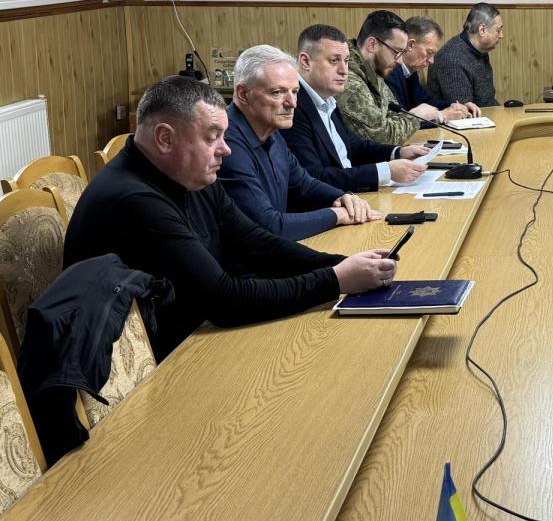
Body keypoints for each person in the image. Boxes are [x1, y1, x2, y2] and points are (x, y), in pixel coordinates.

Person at [63, 76, 395, 359]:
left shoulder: (186, 173)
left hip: (193, 333)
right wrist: (335, 280)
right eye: (212, 137)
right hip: (156, 365)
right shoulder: (134, 200)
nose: (226, 149)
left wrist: (341, 264)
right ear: (165, 138)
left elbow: (255, 242)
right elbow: (224, 300)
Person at [219, 45, 378, 241]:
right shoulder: (226, 144)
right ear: (243, 94)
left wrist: (343, 197)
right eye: (277, 92)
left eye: (294, 92)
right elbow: (269, 226)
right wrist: (338, 215)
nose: (292, 103)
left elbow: (304, 184)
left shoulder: (270, 129)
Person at [283, 23, 430, 193]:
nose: (343, 70)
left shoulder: (327, 97)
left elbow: (352, 146)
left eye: (346, 61)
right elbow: (313, 178)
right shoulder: (292, 107)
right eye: (334, 60)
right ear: (305, 61)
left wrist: (397, 152)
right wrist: (385, 172)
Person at [339, 10, 424, 146]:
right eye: (396, 52)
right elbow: (384, 137)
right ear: (372, 44)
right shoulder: (348, 80)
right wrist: (416, 117)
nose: (400, 61)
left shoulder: (372, 70)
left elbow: (395, 113)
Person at [385, 16, 480, 125]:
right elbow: (398, 125)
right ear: (410, 45)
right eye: (429, 52)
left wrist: (458, 108)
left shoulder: (410, 70)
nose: (431, 61)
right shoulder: (389, 72)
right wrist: (442, 116)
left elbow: (426, 101)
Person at [426, 2, 503, 108]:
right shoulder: (452, 60)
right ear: (482, 30)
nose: (501, 35)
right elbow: (463, 112)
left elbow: (488, 101)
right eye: (498, 30)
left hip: (486, 114)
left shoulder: (479, 50)